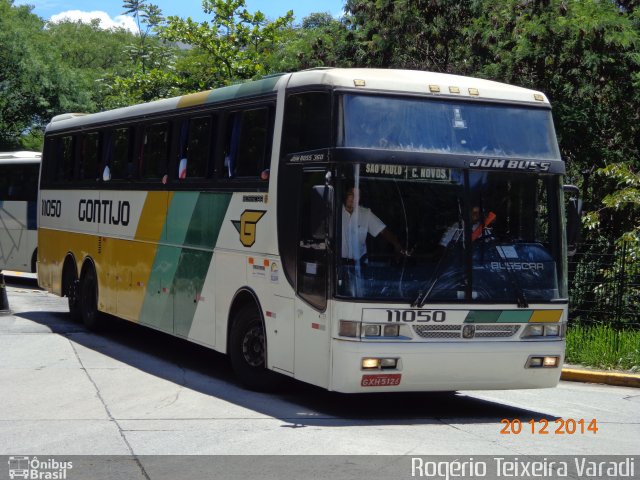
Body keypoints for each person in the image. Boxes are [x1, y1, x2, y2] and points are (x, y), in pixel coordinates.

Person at [341, 185, 407, 263]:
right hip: (339, 265)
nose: (354, 198)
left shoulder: (366, 213)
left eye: (357, 195)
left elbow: (383, 231)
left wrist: (397, 245)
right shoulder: (335, 212)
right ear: (345, 194)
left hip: (360, 265)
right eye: (351, 194)